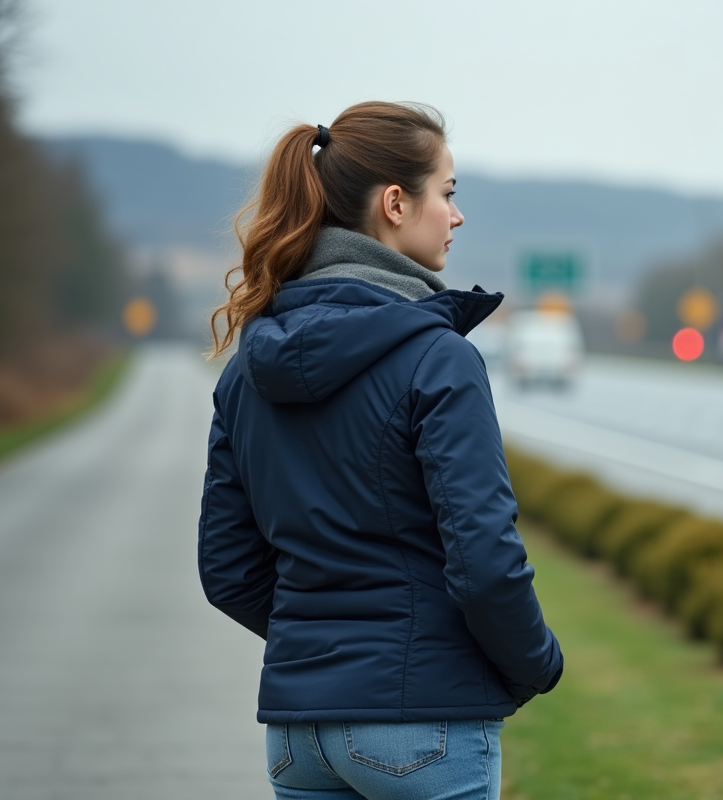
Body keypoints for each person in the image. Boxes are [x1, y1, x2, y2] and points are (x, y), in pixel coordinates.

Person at [198, 101, 563, 800]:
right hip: (425, 726)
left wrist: (323, 651)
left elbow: (228, 571)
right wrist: (535, 665)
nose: (457, 216)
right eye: (447, 193)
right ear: (395, 203)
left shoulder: (245, 373)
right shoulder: (439, 359)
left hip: (299, 737)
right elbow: (485, 560)